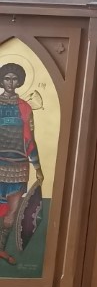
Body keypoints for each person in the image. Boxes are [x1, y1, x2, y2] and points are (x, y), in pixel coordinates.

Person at [0, 62, 44, 264]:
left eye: (14, 79)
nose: (10, 82)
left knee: (12, 213)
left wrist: (37, 167)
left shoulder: (24, 107)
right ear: (2, 81)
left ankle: (1, 248)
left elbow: (30, 140)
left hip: (18, 166)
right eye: (7, 78)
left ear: (19, 82)